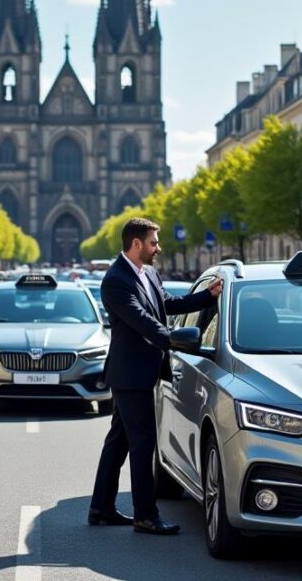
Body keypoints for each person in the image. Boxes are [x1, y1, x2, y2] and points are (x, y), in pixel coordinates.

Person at [89, 217, 222, 535]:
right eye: (153, 243)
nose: (158, 248)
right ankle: (145, 515)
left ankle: (101, 508)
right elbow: (140, 320)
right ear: (136, 244)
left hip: (138, 372)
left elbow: (165, 304)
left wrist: (206, 296)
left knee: (119, 441)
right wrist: (174, 339)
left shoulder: (146, 272)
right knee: (143, 442)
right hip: (130, 374)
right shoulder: (116, 280)